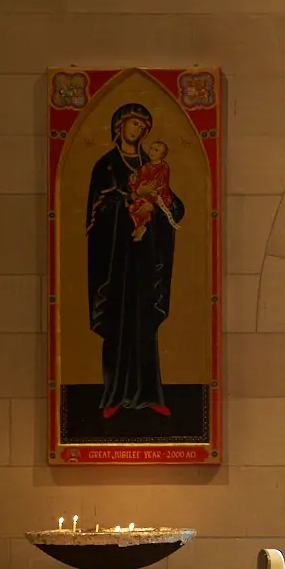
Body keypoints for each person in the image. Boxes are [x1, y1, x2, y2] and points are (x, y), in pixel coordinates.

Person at [87, 102, 184, 420]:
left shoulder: (153, 164)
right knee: (119, 325)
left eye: (143, 126)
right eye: (133, 124)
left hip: (144, 262)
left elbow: (174, 210)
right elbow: (95, 215)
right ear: (119, 126)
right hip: (116, 263)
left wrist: (162, 201)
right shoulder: (106, 166)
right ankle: (113, 395)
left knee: (144, 326)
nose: (138, 130)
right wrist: (127, 200)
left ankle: (150, 395)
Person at [127, 139, 175, 240]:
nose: (152, 151)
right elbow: (138, 185)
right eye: (151, 149)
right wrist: (132, 181)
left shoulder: (163, 167)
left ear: (162, 155)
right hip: (144, 196)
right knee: (132, 208)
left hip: (158, 197)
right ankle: (139, 227)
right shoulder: (144, 168)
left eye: (156, 150)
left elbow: (164, 185)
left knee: (145, 209)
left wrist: (157, 192)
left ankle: (140, 228)